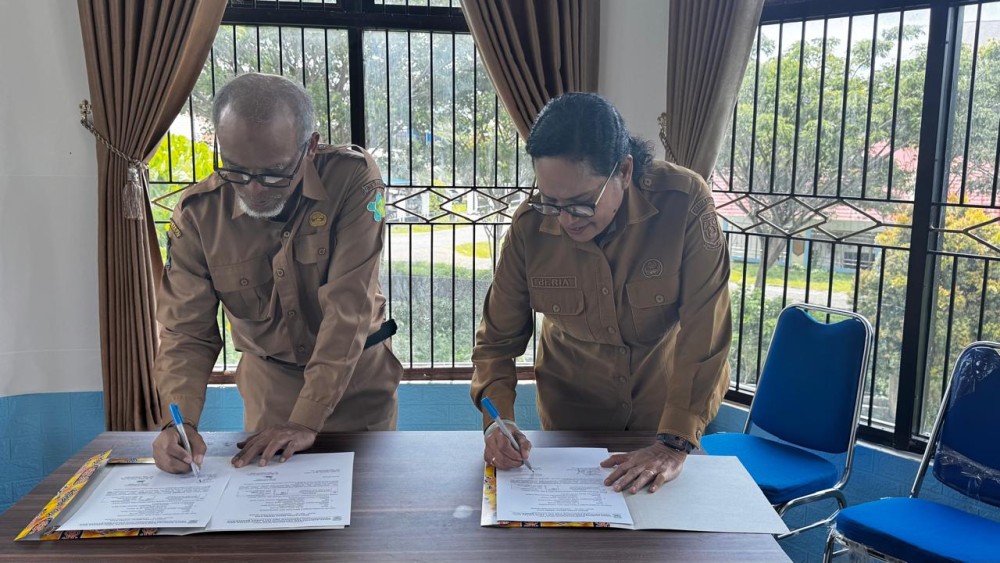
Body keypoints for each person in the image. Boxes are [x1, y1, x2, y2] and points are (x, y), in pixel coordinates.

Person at [471, 92, 732, 494]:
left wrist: (674, 443)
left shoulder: (683, 203)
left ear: (624, 171)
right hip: (570, 425)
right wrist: (498, 421)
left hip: (663, 422)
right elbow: (495, 343)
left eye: (580, 204)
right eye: (550, 201)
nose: (564, 220)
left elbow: (705, 333)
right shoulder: (529, 229)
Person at [152, 73, 403, 474]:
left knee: (364, 504)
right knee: (270, 506)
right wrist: (178, 423)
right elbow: (186, 333)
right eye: (236, 170)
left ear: (310, 147)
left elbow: (348, 309)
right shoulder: (199, 215)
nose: (254, 189)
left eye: (274, 173)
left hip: (355, 387)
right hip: (270, 392)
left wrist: (306, 419)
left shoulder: (351, 179)